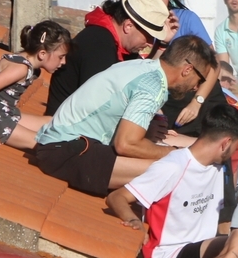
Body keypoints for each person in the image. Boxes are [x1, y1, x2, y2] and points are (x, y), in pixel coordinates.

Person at [34, 35, 212, 197]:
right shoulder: (153, 87)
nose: (197, 88)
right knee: (176, 167)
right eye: (200, 80)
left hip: (61, 144)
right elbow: (126, 144)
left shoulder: (141, 66)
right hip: (66, 151)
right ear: (187, 69)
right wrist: (172, 152)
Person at [105, 103, 238, 258]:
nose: (235, 153)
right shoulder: (172, 166)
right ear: (225, 143)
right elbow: (117, 196)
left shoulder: (218, 168)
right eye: (236, 147)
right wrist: (132, 220)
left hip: (200, 256)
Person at [123, 0, 222, 134]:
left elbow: (214, 64)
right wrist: (162, 43)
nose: (162, 4)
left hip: (196, 99)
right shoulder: (131, 29)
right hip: (157, 103)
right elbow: (144, 75)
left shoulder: (185, 19)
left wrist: (197, 102)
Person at [45, 0, 174, 115]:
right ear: (128, 26)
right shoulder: (98, 43)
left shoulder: (120, 46)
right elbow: (100, 107)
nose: (150, 43)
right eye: (149, 36)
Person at [0, 21, 70, 149]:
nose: (64, 62)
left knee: (51, 122)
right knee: (45, 143)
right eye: (61, 57)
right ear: (42, 54)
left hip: (4, 112)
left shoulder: (28, 63)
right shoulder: (21, 68)